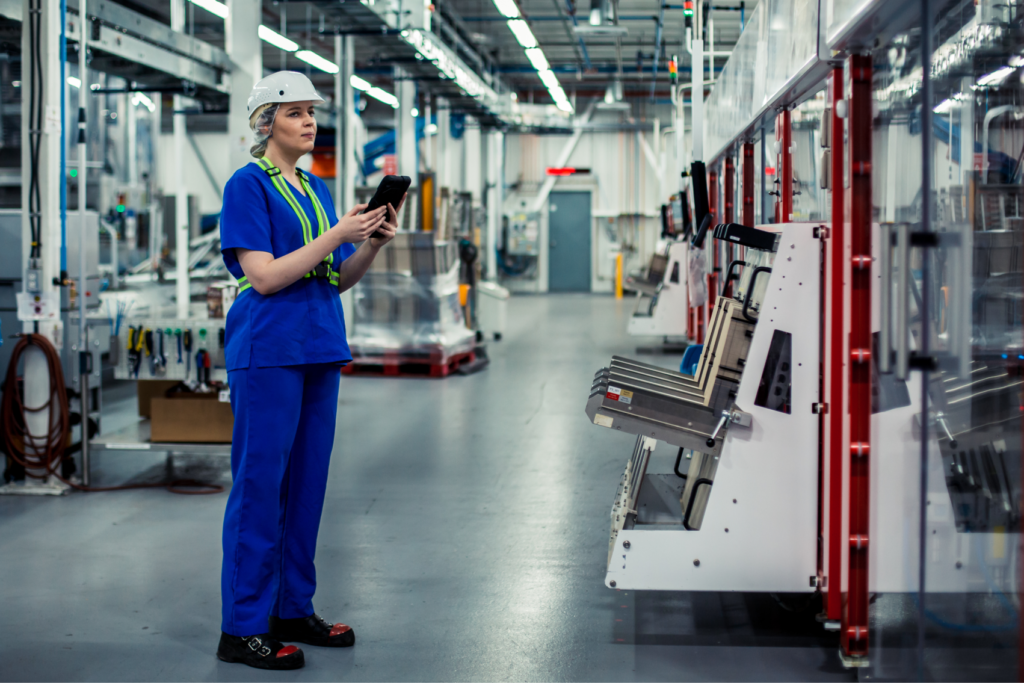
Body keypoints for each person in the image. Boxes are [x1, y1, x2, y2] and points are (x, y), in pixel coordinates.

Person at [215, 71, 405, 671]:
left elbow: (336, 278)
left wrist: (369, 243)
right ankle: (243, 627)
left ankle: (292, 609)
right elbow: (265, 276)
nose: (309, 122)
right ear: (265, 122)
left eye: (312, 112)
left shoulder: (317, 189)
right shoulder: (247, 186)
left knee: (306, 488)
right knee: (259, 488)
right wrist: (337, 234)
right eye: (294, 112)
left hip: (319, 346)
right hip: (269, 350)